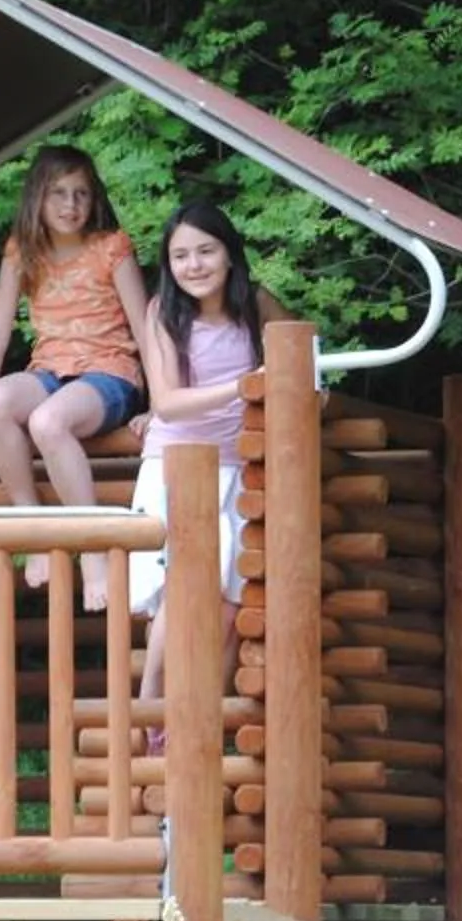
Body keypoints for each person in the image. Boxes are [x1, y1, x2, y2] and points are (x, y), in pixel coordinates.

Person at [129, 202, 295, 728]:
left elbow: (302, 361)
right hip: (176, 464)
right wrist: (248, 386)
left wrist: (288, 387)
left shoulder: (258, 306)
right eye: (180, 255)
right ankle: (152, 704)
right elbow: (169, 401)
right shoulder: (163, 312)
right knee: (186, 583)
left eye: (205, 251)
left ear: (229, 255)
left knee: (228, 604)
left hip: (240, 467)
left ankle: (200, 729)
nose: (194, 265)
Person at [0, 144, 150, 605]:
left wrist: (162, 405)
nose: (71, 206)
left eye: (81, 194)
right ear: (37, 200)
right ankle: (33, 522)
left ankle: (90, 547)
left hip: (110, 373)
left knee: (48, 422)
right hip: (49, 370)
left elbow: (147, 328)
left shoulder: (112, 248)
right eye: (59, 194)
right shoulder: (22, 252)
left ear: (95, 199)